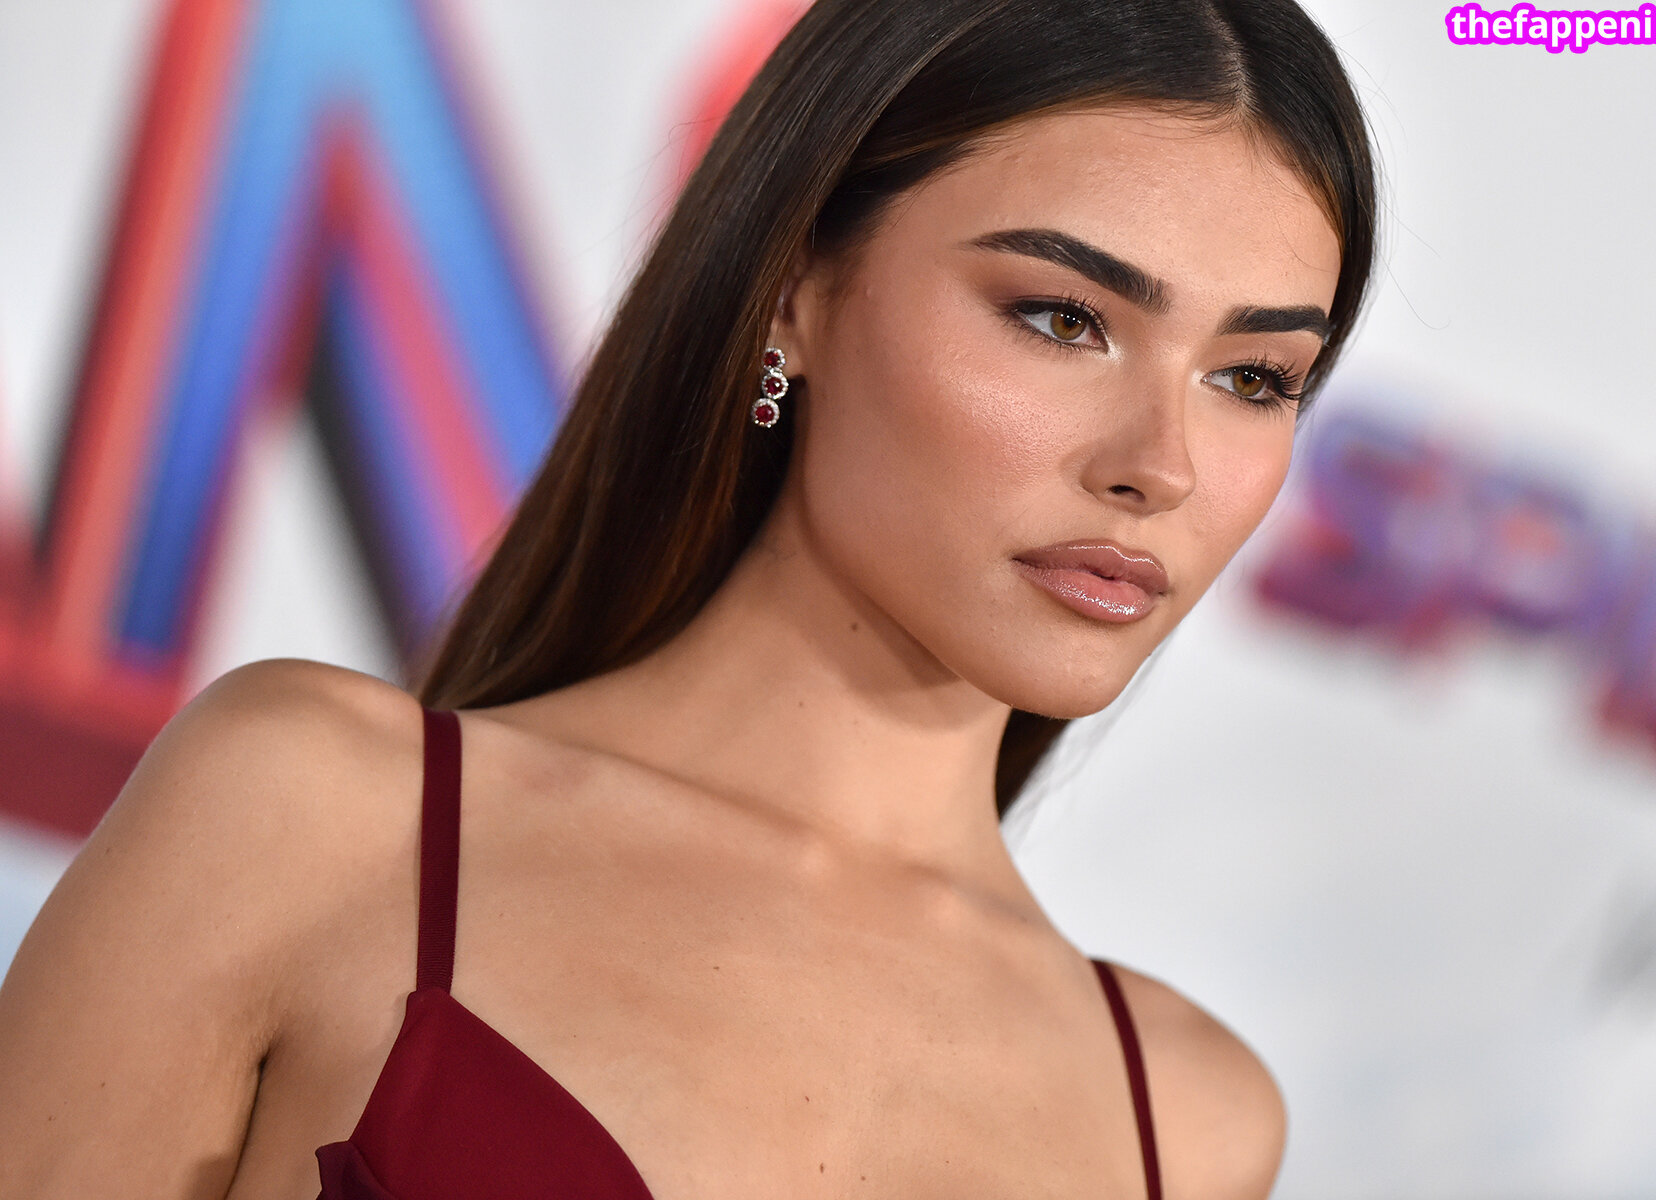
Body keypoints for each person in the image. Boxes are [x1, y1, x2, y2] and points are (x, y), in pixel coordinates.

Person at [0, 0, 1376, 1196]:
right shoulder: (309, 822)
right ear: (792, 291)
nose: (1160, 467)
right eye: (1062, 318)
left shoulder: (1187, 1125)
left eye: (1252, 379)